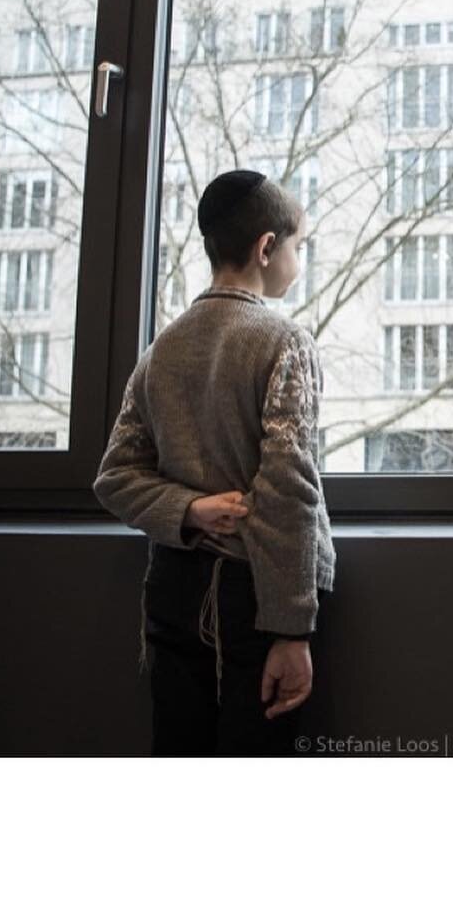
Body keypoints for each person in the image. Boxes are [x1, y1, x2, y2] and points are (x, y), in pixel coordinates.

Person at [93, 169, 334, 756]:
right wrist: (291, 628)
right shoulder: (284, 343)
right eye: (298, 246)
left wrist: (188, 509)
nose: (297, 259)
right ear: (267, 247)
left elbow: (115, 477)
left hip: (172, 592)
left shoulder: (162, 349)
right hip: (252, 602)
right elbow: (288, 486)